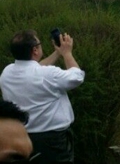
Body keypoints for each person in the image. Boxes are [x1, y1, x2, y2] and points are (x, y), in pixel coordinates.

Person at [0, 30, 85, 164]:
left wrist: (57, 52)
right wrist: (67, 53)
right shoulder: (48, 74)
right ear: (35, 50)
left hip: (22, 137)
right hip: (53, 141)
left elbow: (35, 68)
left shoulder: (7, 72)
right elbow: (77, 77)